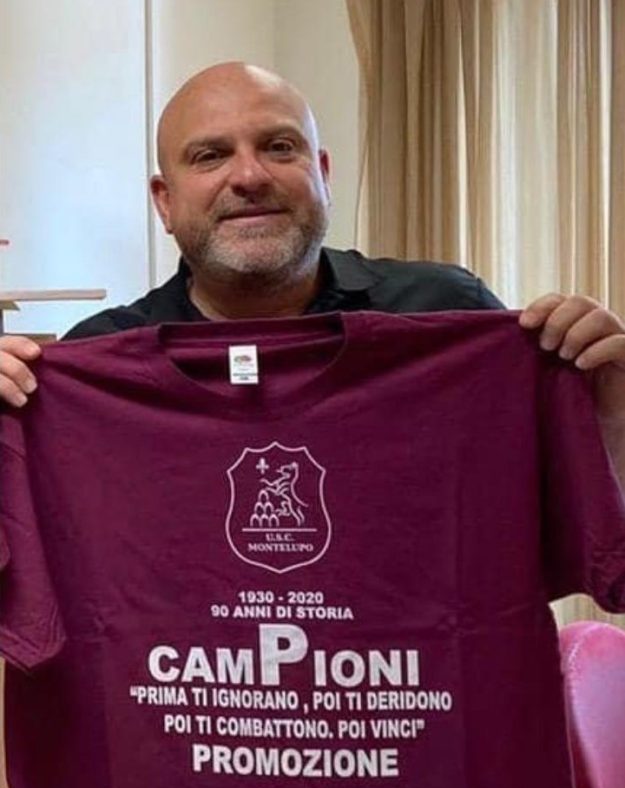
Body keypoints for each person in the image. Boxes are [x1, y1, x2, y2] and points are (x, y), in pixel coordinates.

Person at [1, 60, 625, 482]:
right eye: (211, 156)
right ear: (165, 202)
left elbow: (572, 533)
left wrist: (609, 421)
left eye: (279, 147)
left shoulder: (445, 312)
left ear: (322, 174)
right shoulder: (94, 366)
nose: (250, 176)